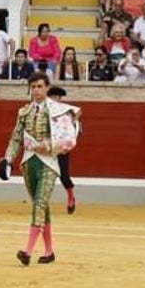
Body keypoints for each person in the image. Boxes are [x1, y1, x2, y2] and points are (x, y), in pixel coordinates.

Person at [0, 71, 80, 265]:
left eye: (39, 86)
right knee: (41, 205)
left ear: (47, 87)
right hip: (28, 162)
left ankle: (27, 250)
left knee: (39, 204)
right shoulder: (24, 111)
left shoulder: (58, 111)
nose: (36, 90)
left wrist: (49, 146)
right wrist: (7, 159)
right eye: (33, 87)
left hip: (49, 163)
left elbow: (68, 138)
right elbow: (16, 138)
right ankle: (49, 251)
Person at [48, 85, 79, 215]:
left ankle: (71, 197)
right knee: (45, 175)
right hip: (46, 147)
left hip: (62, 148)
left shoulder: (67, 111)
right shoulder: (45, 110)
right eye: (53, 96)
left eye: (58, 97)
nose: (55, 99)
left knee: (64, 176)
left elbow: (74, 130)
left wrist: (67, 146)